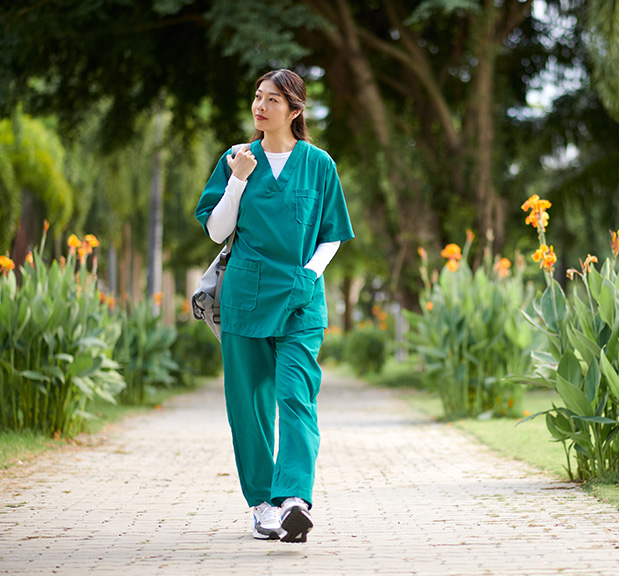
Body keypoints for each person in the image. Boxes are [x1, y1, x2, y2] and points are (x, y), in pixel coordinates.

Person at [195, 69, 354, 543]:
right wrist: (238, 181)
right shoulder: (235, 159)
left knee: (296, 396)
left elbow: (331, 234)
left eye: (272, 100)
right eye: (257, 98)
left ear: (295, 109)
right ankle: (263, 506)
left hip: (302, 300)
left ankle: (293, 500)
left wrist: (309, 275)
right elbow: (216, 230)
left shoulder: (319, 164)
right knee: (249, 407)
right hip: (245, 299)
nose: (260, 107)